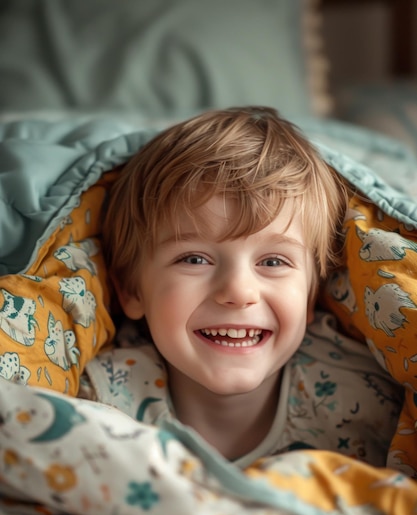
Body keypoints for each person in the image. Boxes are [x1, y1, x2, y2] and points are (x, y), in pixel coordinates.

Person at [80, 106, 402, 467]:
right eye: (194, 259)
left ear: (311, 296)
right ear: (132, 292)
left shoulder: (369, 406)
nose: (238, 292)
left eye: (273, 262)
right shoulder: (99, 404)